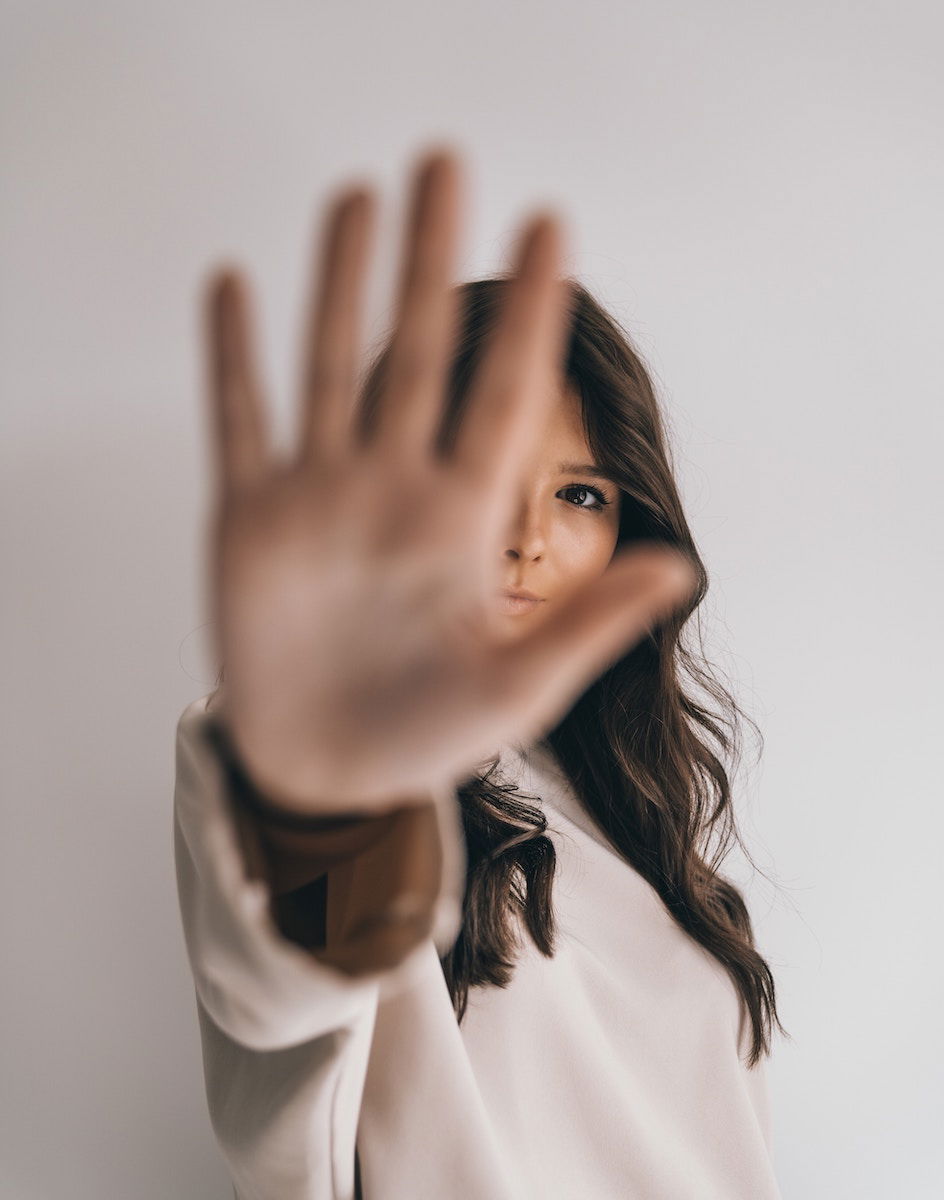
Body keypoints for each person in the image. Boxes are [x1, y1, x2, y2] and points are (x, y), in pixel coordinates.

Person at [173, 145, 788, 1199]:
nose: (526, 536)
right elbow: (278, 1014)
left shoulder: (632, 807)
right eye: (482, 475)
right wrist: (321, 801)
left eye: (582, 495)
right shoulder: (315, 755)